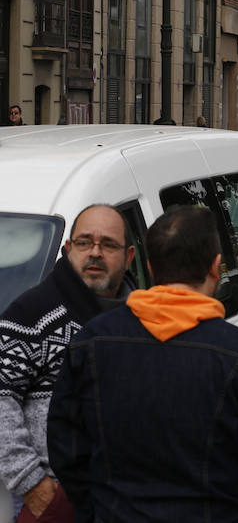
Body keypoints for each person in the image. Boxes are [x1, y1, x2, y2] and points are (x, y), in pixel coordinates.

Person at [47, 206, 238, 523]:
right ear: (216, 267)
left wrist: (99, 510)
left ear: (148, 266)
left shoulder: (91, 343)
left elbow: (67, 451)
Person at [0, 205, 136, 522]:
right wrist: (36, 487)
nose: (95, 253)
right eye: (85, 242)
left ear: (129, 257)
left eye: (109, 245)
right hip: (58, 503)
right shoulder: (31, 316)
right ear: (68, 249)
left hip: (128, 499)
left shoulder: (140, 316)